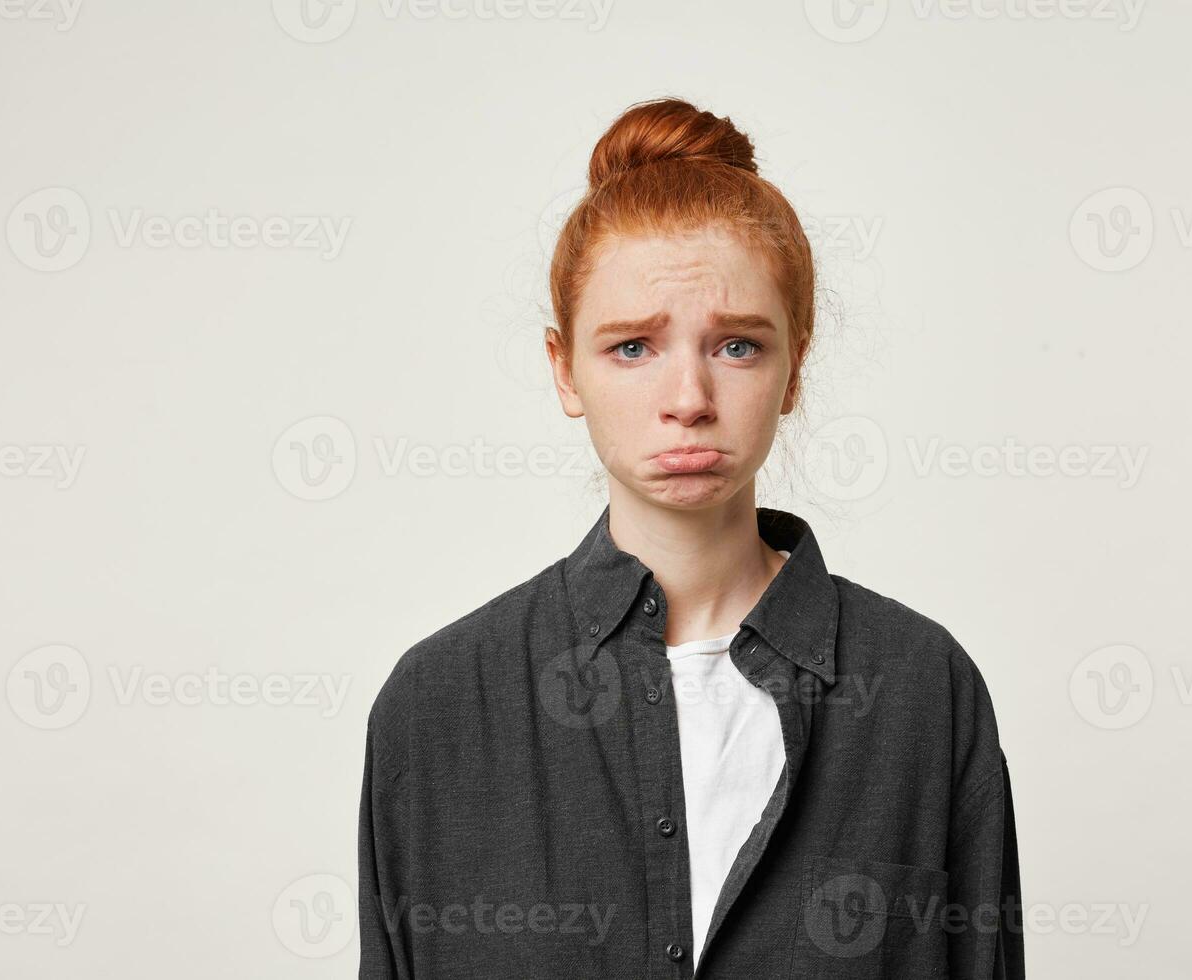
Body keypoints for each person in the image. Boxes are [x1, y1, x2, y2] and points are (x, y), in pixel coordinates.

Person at [358, 96, 1023, 979]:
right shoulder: (438, 706)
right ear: (565, 370)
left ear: (795, 366)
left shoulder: (921, 692)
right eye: (632, 347)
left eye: (737, 346)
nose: (688, 398)